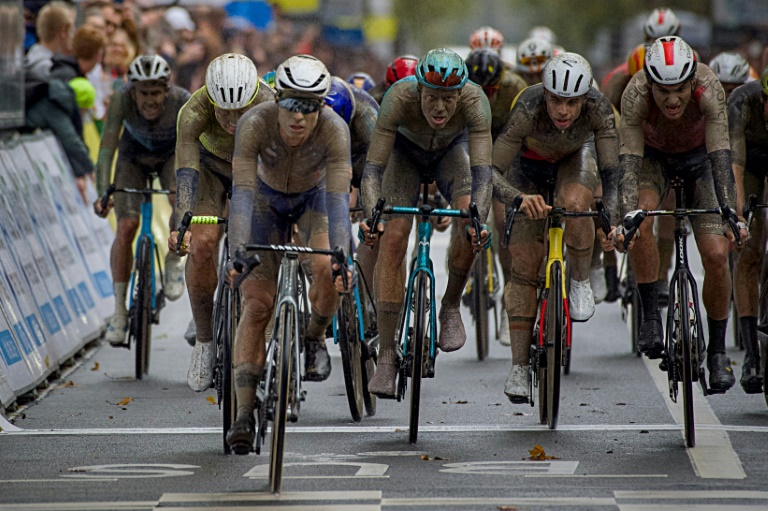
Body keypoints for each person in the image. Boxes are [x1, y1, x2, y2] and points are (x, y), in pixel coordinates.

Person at [224, 55, 352, 452]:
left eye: (311, 106)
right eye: (293, 104)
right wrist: (238, 250)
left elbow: (337, 202)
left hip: (313, 201)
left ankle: (313, 337)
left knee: (327, 269)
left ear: (322, 106)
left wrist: (342, 255)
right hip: (263, 203)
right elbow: (242, 193)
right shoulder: (255, 123)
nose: (300, 117)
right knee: (258, 306)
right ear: (277, 98)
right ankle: (244, 413)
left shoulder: (334, 130)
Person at [358, 48, 493, 398]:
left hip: (450, 155)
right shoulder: (398, 97)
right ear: (419, 90)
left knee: (469, 217)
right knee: (394, 235)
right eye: (432, 98)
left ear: (460, 94)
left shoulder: (475, 101)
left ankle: (450, 304)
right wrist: (373, 214)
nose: (439, 108)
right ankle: (387, 354)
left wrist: (478, 219)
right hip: (404, 157)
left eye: (448, 100)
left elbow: (482, 174)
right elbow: (372, 169)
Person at [615, 36, 745, 393]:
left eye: (679, 90)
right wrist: (626, 216)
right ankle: (650, 318)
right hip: (652, 160)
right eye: (663, 91)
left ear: (692, 81)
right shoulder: (635, 94)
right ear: (651, 85)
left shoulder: (709, 87)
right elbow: (629, 160)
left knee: (717, 255)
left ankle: (718, 353)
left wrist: (731, 212)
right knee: (640, 219)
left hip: (701, 160)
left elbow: (721, 155)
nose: (672, 100)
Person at [492, 52, 620, 403]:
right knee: (523, 267)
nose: (563, 110)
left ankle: (579, 279)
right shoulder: (527, 107)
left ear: (585, 100)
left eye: (572, 103)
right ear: (544, 95)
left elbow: (612, 174)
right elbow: (490, 172)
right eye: (556, 101)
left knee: (577, 204)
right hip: (526, 170)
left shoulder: (599, 108)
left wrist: (613, 222)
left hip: (573, 161)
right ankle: (519, 367)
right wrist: (518, 198)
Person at [170, 53, 275, 391]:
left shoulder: (270, 104)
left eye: (241, 111)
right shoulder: (193, 111)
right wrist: (180, 225)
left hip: (255, 166)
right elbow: (186, 172)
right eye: (224, 111)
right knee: (201, 245)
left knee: (264, 239)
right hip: (210, 167)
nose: (232, 120)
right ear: (211, 99)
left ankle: (267, 328)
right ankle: (204, 341)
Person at [93, 55, 190, 346]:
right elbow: (107, 148)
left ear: (167, 91)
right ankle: (120, 311)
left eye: (156, 93)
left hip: (169, 155)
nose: (150, 100)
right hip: (132, 158)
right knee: (126, 226)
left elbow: (188, 152)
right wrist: (102, 192)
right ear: (132, 92)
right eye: (144, 93)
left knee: (178, 195)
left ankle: (174, 260)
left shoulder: (181, 100)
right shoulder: (121, 100)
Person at [466, 47, 528, 346]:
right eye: (480, 90)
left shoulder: (515, 88)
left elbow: (522, 134)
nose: (486, 96)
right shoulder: (458, 92)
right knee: (464, 210)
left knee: (504, 223)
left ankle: (508, 296)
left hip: (506, 150)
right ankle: (464, 273)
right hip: (470, 148)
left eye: (491, 90)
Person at [727, 66, 768, 393]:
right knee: (750, 250)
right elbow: (734, 167)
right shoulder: (742, 102)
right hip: (750, 164)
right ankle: (753, 355)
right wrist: (740, 216)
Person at [24, 1, 75, 82]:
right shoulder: (48, 68)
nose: (73, 36)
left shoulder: (28, 59)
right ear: (63, 31)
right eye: (72, 30)